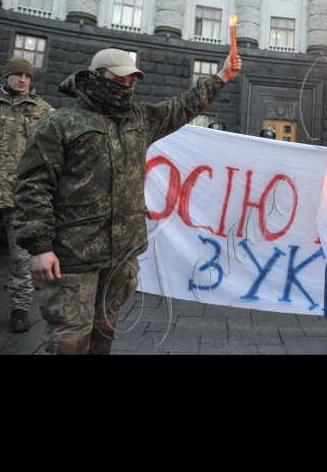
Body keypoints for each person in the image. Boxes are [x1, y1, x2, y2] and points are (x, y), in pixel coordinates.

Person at [14, 49, 241, 355]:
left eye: (130, 79)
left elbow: (184, 106)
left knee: (104, 329)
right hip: (73, 255)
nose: (125, 85)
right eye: (117, 78)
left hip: (121, 254)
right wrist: (40, 247)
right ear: (96, 77)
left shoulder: (141, 119)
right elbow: (33, 186)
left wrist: (223, 75)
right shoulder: (60, 123)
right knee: (70, 338)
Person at [0, 58, 53, 332]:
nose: (23, 80)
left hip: (22, 198)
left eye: (27, 76)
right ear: (6, 77)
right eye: (17, 75)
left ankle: (20, 309)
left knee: (21, 258)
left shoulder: (43, 111)